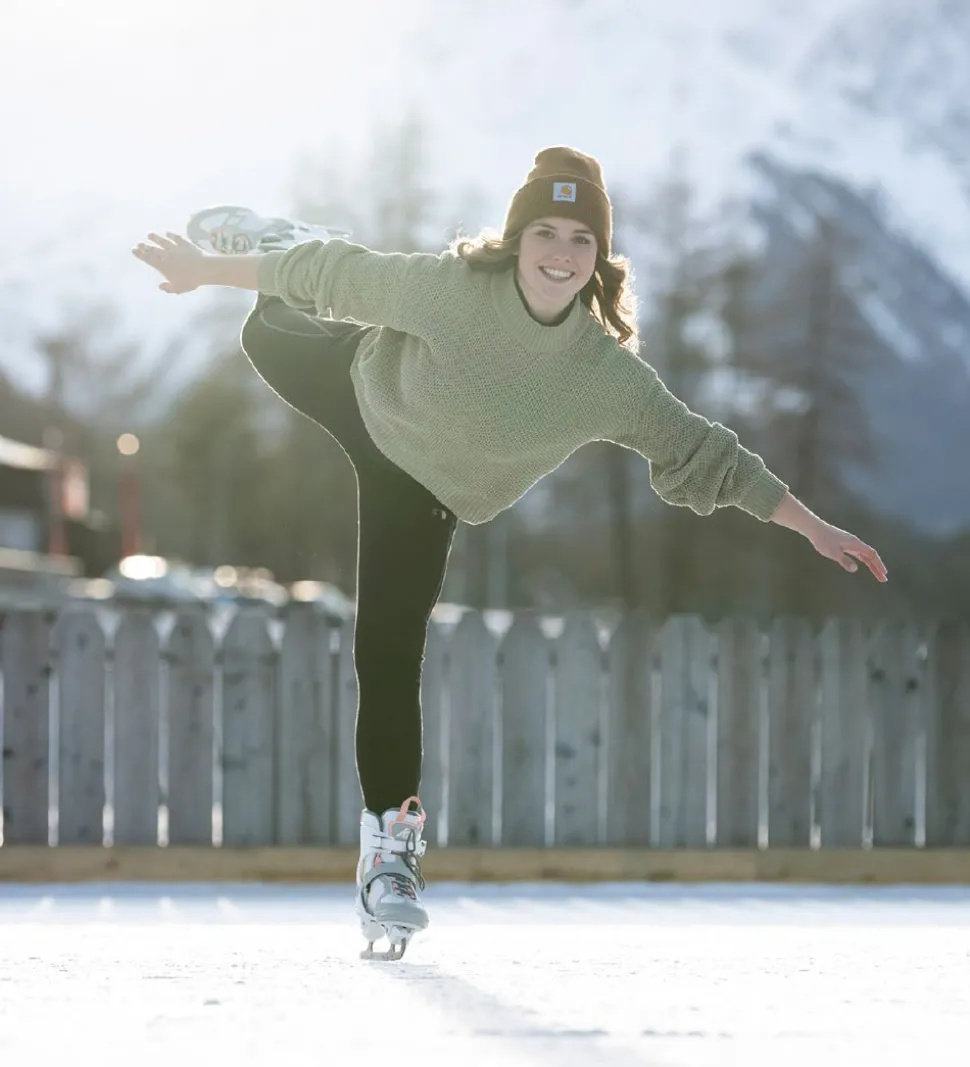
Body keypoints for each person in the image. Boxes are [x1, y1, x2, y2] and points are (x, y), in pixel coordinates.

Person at [132, 146, 888, 958]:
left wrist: (811, 523)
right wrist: (208, 268)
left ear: (599, 259)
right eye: (546, 233)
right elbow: (339, 274)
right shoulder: (454, 291)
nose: (561, 253)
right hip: (366, 388)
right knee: (269, 326)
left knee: (386, 654)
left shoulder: (605, 374)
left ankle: (388, 857)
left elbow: (702, 449)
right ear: (516, 239)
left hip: (422, 496)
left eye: (581, 241)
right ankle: (276, 237)